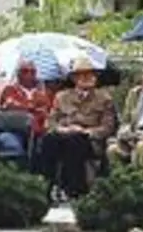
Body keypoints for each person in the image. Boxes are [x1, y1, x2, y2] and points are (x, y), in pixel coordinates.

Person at [34, 57, 116, 198]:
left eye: (90, 74)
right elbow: (50, 122)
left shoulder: (104, 99)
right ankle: (45, 186)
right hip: (63, 135)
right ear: (74, 78)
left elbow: (108, 127)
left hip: (89, 140)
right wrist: (63, 129)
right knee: (48, 140)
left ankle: (74, 190)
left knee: (75, 141)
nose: (87, 78)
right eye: (82, 75)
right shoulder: (61, 97)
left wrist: (86, 132)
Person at [0, 60, 53, 158]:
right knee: (9, 142)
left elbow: (46, 112)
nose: (29, 75)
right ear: (18, 74)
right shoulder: (9, 90)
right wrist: (33, 108)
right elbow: (11, 109)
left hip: (38, 133)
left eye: (32, 72)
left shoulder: (43, 93)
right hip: (13, 131)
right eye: (25, 71)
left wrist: (23, 107)